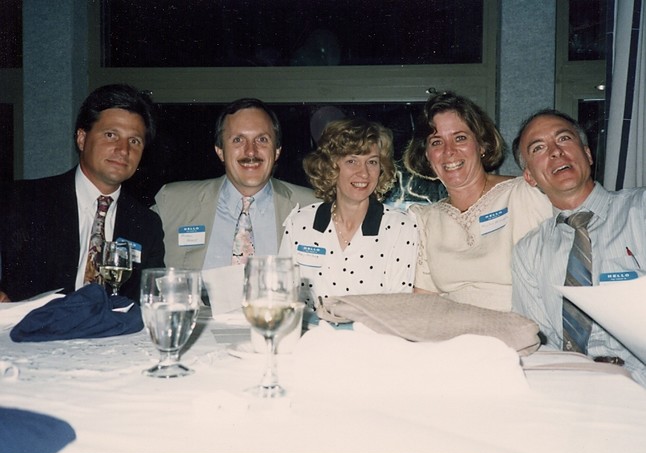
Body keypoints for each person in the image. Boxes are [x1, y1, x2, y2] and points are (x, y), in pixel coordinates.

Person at [511, 108, 646, 386]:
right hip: (572, 387)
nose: (555, 152)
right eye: (538, 148)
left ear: (587, 154)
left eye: (564, 139)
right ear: (530, 177)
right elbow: (538, 341)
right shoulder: (528, 251)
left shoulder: (640, 211)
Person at [0, 83, 165, 302]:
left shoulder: (146, 225)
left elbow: (150, 300)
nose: (123, 150)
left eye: (134, 141)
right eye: (110, 135)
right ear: (82, 138)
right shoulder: (24, 200)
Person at [403, 90, 552, 311]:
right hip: (452, 336)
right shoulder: (426, 219)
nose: (449, 151)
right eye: (436, 142)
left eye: (460, 138)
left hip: (520, 330)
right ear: (426, 154)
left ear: (481, 145)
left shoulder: (525, 194)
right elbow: (423, 301)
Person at [152, 98, 318, 270]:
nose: (251, 151)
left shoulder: (312, 207)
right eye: (238, 140)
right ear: (220, 151)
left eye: (262, 139)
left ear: (277, 151)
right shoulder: (172, 202)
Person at [278, 118, 418, 310]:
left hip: (373, 338)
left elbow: (401, 307)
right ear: (332, 166)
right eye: (352, 161)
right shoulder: (300, 223)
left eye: (372, 162)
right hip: (311, 337)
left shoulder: (401, 228)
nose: (364, 173)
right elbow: (281, 299)